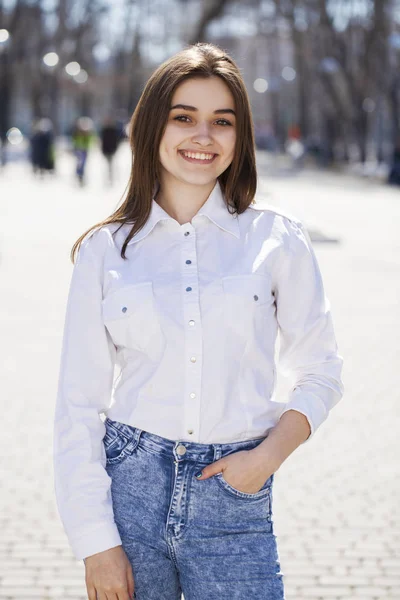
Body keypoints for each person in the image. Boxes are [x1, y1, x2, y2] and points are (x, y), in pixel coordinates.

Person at [53, 43, 344, 600]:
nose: (203, 136)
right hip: (129, 496)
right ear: (151, 126)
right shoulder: (104, 251)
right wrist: (95, 543)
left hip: (234, 498)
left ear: (241, 137)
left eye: (222, 121)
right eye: (183, 117)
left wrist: (266, 459)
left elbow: (322, 369)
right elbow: (78, 406)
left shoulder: (277, 239)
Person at [71, 116, 94, 185]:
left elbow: (90, 141)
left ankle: (80, 176)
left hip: (84, 150)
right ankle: (79, 175)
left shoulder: (88, 134)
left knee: (82, 164)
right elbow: (74, 141)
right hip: (79, 150)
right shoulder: (77, 133)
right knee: (80, 163)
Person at [100, 116, 121, 184]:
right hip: (106, 150)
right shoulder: (104, 130)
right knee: (108, 164)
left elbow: (116, 140)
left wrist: (115, 148)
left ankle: (111, 177)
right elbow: (102, 141)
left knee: (111, 164)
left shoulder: (113, 130)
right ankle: (109, 177)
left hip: (111, 150)